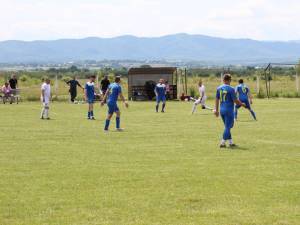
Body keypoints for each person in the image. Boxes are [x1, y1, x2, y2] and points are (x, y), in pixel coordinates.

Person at [214, 74, 245, 148]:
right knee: (228, 127)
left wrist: (216, 110)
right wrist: (242, 104)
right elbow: (236, 101)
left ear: (223, 80)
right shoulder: (231, 89)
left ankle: (231, 142)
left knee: (226, 126)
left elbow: (216, 99)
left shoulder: (219, 88)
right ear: (229, 80)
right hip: (229, 110)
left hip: (222, 110)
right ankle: (222, 142)